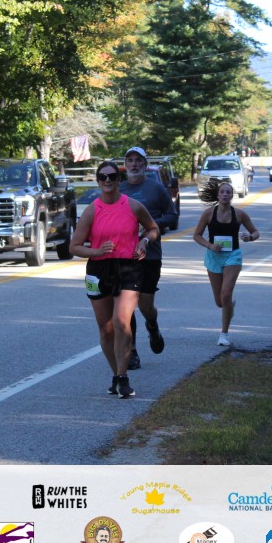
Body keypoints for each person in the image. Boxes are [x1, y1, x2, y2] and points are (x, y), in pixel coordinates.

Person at [69, 161, 159, 398]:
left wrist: (144, 241)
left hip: (128, 267)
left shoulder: (133, 206)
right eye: (103, 177)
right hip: (99, 269)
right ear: (98, 181)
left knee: (121, 321)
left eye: (112, 176)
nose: (107, 180)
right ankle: (116, 376)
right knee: (106, 328)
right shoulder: (92, 210)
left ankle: (123, 375)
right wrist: (96, 251)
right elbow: (74, 246)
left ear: (119, 180)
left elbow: (153, 229)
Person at [119, 147, 178, 370]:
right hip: (124, 255)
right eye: (130, 160)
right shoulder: (119, 189)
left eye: (138, 161)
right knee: (127, 304)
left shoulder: (156, 188)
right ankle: (131, 351)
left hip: (150, 254)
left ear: (145, 164)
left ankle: (152, 325)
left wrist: (151, 225)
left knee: (145, 305)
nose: (134, 164)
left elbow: (172, 215)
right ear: (125, 165)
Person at [192, 181, 260, 346]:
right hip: (214, 257)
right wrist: (210, 245)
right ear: (218, 195)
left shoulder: (240, 214)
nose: (225, 194)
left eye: (228, 192)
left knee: (226, 293)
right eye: (222, 192)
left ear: (232, 196)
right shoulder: (209, 214)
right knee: (220, 302)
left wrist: (250, 237)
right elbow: (196, 235)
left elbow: (255, 232)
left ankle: (224, 334)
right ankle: (229, 307)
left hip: (233, 257)